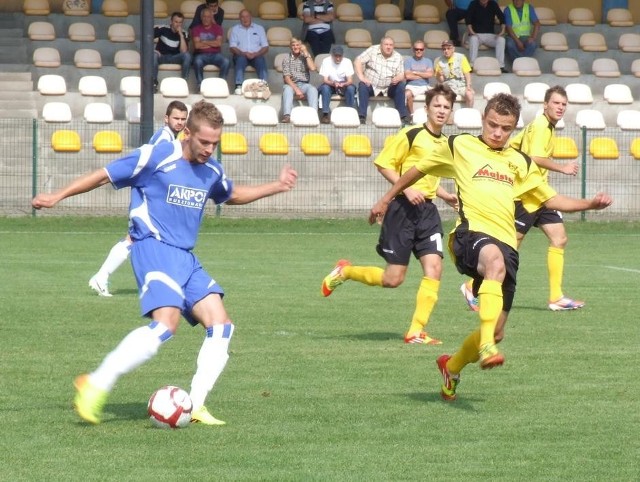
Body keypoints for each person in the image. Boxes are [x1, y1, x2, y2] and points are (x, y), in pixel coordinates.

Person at [32, 100, 298, 425]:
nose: (209, 149)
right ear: (187, 132)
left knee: (222, 326)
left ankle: (195, 405)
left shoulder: (211, 170)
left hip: (185, 257)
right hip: (153, 246)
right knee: (166, 325)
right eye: (204, 142)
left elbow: (230, 194)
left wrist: (277, 186)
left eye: (215, 143)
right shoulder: (157, 155)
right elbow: (104, 175)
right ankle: (96, 382)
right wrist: (57, 196)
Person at [369, 93, 612, 401]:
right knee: (494, 264)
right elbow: (418, 170)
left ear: (514, 128)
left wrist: (589, 203)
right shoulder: (460, 146)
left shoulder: (520, 162)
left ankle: (452, 366)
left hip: (506, 246)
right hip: (469, 235)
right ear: (483, 119)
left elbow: (550, 199)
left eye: (506, 128)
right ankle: (486, 346)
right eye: (493, 125)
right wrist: (385, 199)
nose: (498, 133)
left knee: (498, 327)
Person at [321, 85, 458, 345]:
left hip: (428, 212)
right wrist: (405, 192)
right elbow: (384, 163)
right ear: (426, 108)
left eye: (446, 107)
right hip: (403, 210)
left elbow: (426, 177)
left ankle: (416, 331)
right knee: (393, 279)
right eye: (437, 105)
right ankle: (346, 272)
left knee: (435, 268)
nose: (441, 111)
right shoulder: (411, 134)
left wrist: (444, 195)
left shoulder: (446, 144)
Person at [459, 86, 583, 313]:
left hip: (539, 193)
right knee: (508, 247)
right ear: (545, 105)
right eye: (556, 103)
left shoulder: (548, 127)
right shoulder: (540, 126)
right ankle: (471, 287)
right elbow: (533, 157)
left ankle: (556, 296)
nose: (560, 108)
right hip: (523, 195)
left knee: (559, 238)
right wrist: (562, 168)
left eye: (564, 104)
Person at [89, 101, 189, 297]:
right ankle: (101, 277)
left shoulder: (170, 137)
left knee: (148, 239)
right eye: (176, 118)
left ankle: (163, 281)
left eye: (183, 119)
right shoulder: (164, 139)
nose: (180, 122)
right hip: (147, 199)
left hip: (152, 198)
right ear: (166, 119)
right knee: (137, 238)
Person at [354, 36, 409, 125]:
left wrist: (398, 77)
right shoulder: (372, 50)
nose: (388, 47)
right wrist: (361, 76)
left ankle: (403, 117)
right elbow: (358, 61)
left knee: (401, 85)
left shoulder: (398, 57)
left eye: (391, 45)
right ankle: (362, 117)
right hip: (371, 85)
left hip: (388, 87)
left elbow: (402, 74)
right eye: (386, 44)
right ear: (381, 45)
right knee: (362, 85)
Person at [229, 9, 269, 95]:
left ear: (251, 17)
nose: (245, 19)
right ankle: (238, 86)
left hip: (256, 55)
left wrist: (256, 54)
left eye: (247, 16)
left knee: (260, 60)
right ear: (239, 18)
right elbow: (232, 47)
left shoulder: (259, 28)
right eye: (242, 17)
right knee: (240, 60)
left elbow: (265, 46)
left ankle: (264, 86)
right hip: (241, 55)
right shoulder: (235, 29)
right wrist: (243, 53)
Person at [281, 37, 318, 124]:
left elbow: (313, 68)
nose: (295, 47)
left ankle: (313, 115)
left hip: (304, 84)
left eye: (298, 45)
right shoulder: (286, 59)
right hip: (291, 84)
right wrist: (296, 89)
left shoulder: (305, 57)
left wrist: (305, 52)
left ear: (301, 46)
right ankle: (287, 115)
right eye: (293, 45)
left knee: (313, 89)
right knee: (287, 90)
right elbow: (287, 78)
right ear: (290, 47)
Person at [192, 7, 230, 91]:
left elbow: (218, 43)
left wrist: (204, 42)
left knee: (226, 62)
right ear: (201, 18)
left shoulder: (218, 28)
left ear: (211, 18)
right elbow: (197, 46)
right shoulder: (196, 29)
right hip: (201, 55)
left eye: (208, 17)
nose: (206, 19)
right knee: (197, 61)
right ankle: (200, 85)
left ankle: (221, 84)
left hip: (216, 55)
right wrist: (212, 43)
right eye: (204, 17)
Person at [153, 12, 192, 93]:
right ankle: (153, 82)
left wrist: (181, 35)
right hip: (162, 56)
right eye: (176, 22)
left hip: (175, 57)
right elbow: (147, 36)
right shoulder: (163, 29)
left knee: (187, 56)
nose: (178, 24)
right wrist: (152, 50)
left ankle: (184, 82)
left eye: (180, 22)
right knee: (153, 55)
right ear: (171, 21)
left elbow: (184, 51)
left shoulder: (184, 33)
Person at [317, 45, 356, 124]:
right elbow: (325, 80)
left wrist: (343, 84)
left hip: (343, 84)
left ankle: (350, 113)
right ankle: (325, 114)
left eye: (340, 56)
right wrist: (333, 83)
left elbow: (350, 80)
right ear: (332, 55)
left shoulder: (347, 61)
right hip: (330, 84)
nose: (338, 58)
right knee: (325, 88)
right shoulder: (326, 61)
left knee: (351, 88)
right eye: (336, 56)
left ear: (342, 55)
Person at [465, 0, 507, 72]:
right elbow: (468, 18)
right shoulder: (473, 3)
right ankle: (472, 66)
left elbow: (501, 17)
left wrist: (502, 30)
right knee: (473, 39)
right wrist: (472, 31)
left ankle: (500, 67)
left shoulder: (493, 4)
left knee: (501, 40)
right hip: (477, 34)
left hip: (490, 35)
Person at [434, 40, 474, 108]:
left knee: (470, 94)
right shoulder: (439, 61)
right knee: (445, 93)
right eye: (444, 49)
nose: (446, 51)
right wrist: (438, 74)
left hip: (461, 84)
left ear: (453, 49)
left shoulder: (461, 57)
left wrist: (468, 86)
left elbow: (467, 73)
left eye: (448, 48)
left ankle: (469, 113)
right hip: (449, 85)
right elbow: (441, 80)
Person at [404, 39, 433, 117]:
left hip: (425, 86)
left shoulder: (428, 61)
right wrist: (423, 75)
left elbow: (430, 75)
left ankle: (429, 115)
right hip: (411, 86)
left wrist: (415, 72)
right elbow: (407, 76)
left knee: (434, 94)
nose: (419, 51)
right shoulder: (408, 61)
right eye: (416, 49)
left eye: (421, 49)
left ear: (424, 50)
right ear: (413, 50)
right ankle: (412, 115)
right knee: (407, 94)